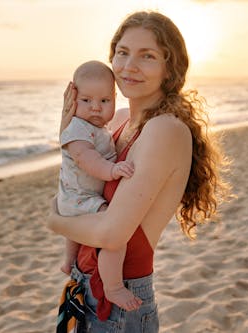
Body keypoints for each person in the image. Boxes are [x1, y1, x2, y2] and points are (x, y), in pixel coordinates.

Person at [48, 10, 230, 332]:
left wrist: (55, 221)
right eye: (122, 52)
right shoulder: (117, 120)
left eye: (147, 56)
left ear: (169, 69)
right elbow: (77, 182)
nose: (129, 66)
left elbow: (113, 234)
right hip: (84, 287)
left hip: (120, 303)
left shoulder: (165, 130)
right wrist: (68, 130)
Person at [57, 60, 142, 312]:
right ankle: (113, 287)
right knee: (114, 233)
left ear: (114, 99)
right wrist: (112, 170)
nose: (95, 108)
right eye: (86, 101)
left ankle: (68, 260)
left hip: (75, 198)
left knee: (76, 232)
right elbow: (87, 159)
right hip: (79, 198)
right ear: (73, 100)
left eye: (104, 101)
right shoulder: (76, 129)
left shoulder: (98, 127)